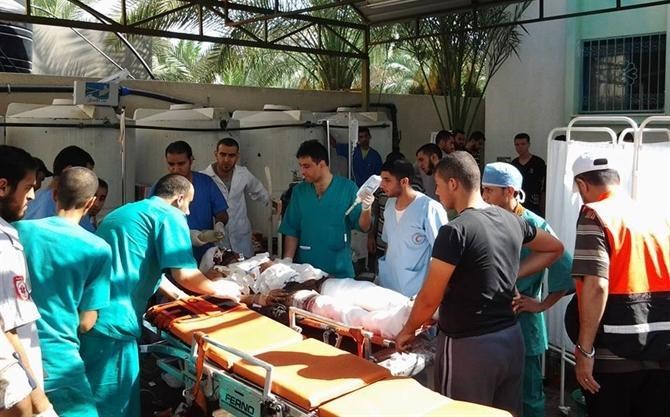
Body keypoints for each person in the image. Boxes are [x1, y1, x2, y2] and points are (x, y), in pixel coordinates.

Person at [395, 151, 564, 417]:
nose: (436, 192)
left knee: (459, 412)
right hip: (510, 340)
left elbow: (429, 297)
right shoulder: (512, 220)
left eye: (438, 185)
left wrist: (407, 330)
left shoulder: (455, 231)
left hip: (469, 347)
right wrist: (512, 273)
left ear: (453, 184)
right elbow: (555, 247)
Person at [80, 174, 243, 417]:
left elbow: (138, 263)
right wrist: (223, 288)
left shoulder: (125, 213)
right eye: (189, 204)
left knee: (89, 397)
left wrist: (179, 296)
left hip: (90, 314)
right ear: (179, 199)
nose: (188, 212)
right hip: (115, 324)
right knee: (113, 402)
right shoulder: (169, 215)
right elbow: (185, 274)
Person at [567, 152, 670, 417]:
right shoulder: (656, 217)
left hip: (614, 354)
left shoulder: (595, 215)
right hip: (661, 350)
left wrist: (585, 350)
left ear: (582, 185)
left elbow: (596, 286)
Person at [16, 167, 112, 417]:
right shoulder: (98, 248)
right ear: (91, 202)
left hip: (14, 357)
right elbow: (86, 322)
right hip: (59, 361)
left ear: (54, 193)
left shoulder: (17, 232)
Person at [481, 162, 574, 417]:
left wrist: (541, 305)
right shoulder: (487, 220)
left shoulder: (534, 225)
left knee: (529, 393)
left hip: (522, 320)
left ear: (509, 191)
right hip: (489, 320)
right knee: (493, 392)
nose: (484, 196)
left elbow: (565, 266)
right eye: (483, 190)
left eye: (489, 190)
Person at [0, 145, 55, 417]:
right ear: (3, 187)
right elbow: (8, 331)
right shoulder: (3, 244)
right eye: (28, 187)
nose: (33, 196)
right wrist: (42, 405)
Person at [279, 140, 373, 278]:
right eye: (301, 166)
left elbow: (364, 227)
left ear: (322, 165)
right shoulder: (299, 192)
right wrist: (287, 261)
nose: (302, 172)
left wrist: (366, 208)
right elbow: (292, 229)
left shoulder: (347, 189)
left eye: (306, 166)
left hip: (339, 272)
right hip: (307, 272)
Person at [377, 159, 448, 297]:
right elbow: (390, 243)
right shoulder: (389, 205)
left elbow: (443, 254)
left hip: (415, 289)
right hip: (388, 284)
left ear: (404, 181)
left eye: (387, 180)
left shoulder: (429, 208)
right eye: (381, 179)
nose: (382, 185)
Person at [201, 138, 272, 258]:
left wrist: (272, 204)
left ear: (237, 156)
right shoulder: (204, 177)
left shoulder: (243, 173)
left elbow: (259, 191)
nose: (226, 160)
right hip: (217, 238)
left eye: (231, 155)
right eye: (222, 154)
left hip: (241, 236)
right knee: (220, 266)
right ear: (215, 154)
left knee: (245, 267)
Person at [164, 140, 229, 262]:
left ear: (191, 160)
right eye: (171, 164)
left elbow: (222, 213)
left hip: (205, 253)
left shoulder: (205, 183)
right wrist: (186, 235)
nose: (176, 169)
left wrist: (219, 225)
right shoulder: (161, 187)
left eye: (181, 163)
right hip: (174, 253)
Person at [25, 145, 96, 232]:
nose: (89, 182)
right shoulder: (70, 205)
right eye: (86, 175)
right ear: (68, 171)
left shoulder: (32, 200)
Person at [511, 133, 546, 216]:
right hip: (518, 203)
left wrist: (543, 203)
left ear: (528, 145)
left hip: (534, 204)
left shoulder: (538, 162)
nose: (520, 147)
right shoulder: (514, 163)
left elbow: (544, 185)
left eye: (523, 144)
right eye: (517, 145)